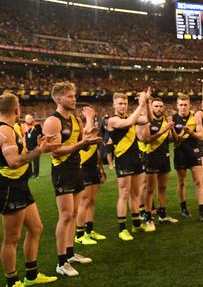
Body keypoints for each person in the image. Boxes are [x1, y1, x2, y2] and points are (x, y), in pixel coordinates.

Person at [0, 93, 60, 287]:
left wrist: (41, 145)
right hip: (9, 186)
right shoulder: (4, 131)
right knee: (12, 238)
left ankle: (31, 275)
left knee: (36, 228)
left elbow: (21, 154)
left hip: (20, 185)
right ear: (16, 109)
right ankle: (12, 281)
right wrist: (39, 151)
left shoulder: (13, 128)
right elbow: (14, 162)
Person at [42, 82, 101, 276]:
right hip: (62, 171)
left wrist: (89, 126)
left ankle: (70, 253)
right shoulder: (53, 121)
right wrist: (83, 143)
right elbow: (56, 151)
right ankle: (61, 262)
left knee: (74, 214)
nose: (74, 99)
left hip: (76, 168)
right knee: (66, 215)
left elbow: (82, 142)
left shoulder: (75, 120)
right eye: (70, 96)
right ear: (59, 99)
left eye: (74, 95)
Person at [107, 90, 151, 241]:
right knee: (124, 193)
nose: (123, 106)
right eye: (120, 103)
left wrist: (147, 103)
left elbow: (147, 119)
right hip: (123, 160)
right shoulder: (112, 120)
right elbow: (128, 123)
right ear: (114, 105)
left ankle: (136, 223)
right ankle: (122, 229)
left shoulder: (130, 116)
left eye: (125, 103)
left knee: (136, 193)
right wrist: (140, 105)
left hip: (136, 158)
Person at [140, 98, 178, 226]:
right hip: (151, 156)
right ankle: (148, 216)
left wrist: (171, 128)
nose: (159, 109)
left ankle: (162, 215)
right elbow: (146, 140)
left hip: (164, 156)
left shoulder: (166, 120)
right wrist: (163, 130)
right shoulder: (147, 121)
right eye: (156, 106)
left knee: (162, 188)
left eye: (161, 106)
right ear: (151, 107)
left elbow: (174, 139)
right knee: (150, 189)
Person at [171, 94, 203, 221]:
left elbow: (202, 136)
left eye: (185, 105)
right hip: (180, 152)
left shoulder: (195, 118)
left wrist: (190, 132)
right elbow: (172, 140)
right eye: (181, 105)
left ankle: (201, 210)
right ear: (177, 106)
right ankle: (184, 208)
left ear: (189, 105)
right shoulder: (173, 119)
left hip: (194, 151)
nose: (183, 107)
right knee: (182, 181)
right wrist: (180, 134)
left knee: (198, 181)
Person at [74, 111, 108, 246]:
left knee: (91, 201)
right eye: (91, 119)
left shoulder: (92, 131)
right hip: (83, 168)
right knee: (84, 201)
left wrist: (101, 168)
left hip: (93, 168)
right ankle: (80, 234)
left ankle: (89, 230)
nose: (94, 121)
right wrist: (89, 119)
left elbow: (97, 152)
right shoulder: (80, 133)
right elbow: (85, 137)